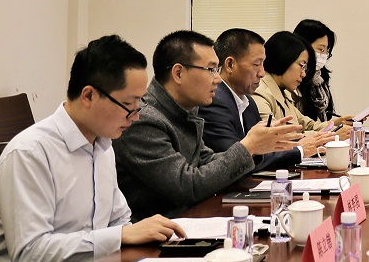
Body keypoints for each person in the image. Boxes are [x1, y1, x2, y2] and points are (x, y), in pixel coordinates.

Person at [0, 35, 186, 262]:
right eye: (129, 104)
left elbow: (119, 220)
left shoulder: (103, 146)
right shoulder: (30, 154)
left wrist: (136, 234)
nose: (135, 117)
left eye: (139, 104)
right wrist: (120, 236)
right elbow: (30, 255)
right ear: (89, 95)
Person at [113, 30, 302, 219]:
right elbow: (187, 186)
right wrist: (248, 146)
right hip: (158, 230)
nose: (218, 79)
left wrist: (255, 149)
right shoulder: (143, 120)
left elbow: (206, 160)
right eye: (211, 69)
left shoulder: (185, 111)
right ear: (178, 73)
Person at [199, 28, 335, 170]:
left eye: (263, 64)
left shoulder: (248, 102)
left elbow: (266, 148)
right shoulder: (214, 101)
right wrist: (300, 150)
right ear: (230, 65)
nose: (262, 73)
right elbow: (238, 160)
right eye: (256, 65)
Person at [252, 31, 349, 139]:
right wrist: (330, 135)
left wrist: (337, 124)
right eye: (302, 66)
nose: (303, 74)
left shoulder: (284, 93)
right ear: (284, 58)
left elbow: (307, 124)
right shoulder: (260, 93)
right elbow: (276, 137)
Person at [293, 19, 354, 127]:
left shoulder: (320, 79)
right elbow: (298, 127)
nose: (324, 55)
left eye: (327, 51)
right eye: (321, 50)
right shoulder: (293, 82)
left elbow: (316, 124)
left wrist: (339, 122)